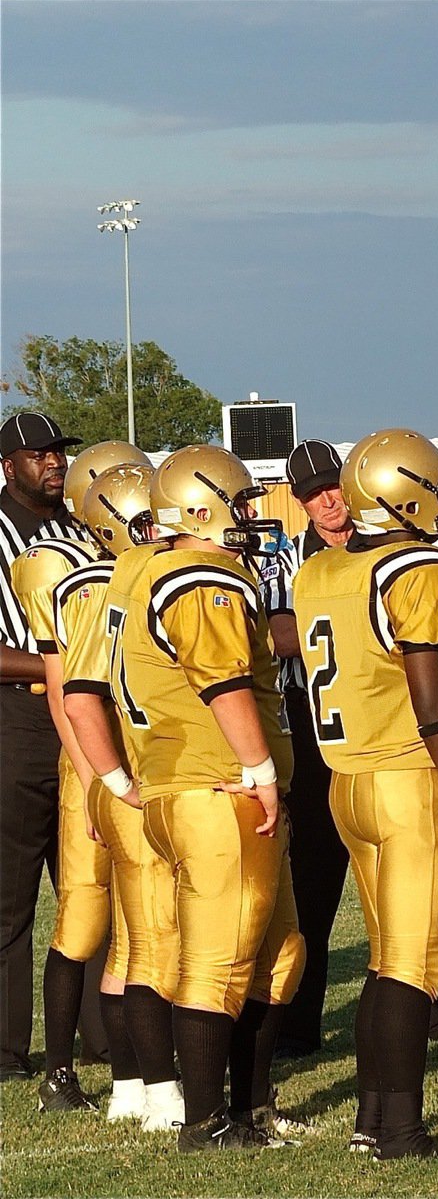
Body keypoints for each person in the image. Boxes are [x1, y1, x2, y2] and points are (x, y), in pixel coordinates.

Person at [292, 427, 438, 1160]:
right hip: (407, 782)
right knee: (415, 961)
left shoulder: (320, 569)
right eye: (434, 481)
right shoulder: (419, 570)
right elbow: (431, 702)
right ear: (400, 491)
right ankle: (403, 1134)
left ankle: (370, 1120)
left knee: (388, 959)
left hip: (345, 784)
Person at [260, 439, 438, 1058]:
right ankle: (373, 1088)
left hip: (361, 743)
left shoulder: (326, 569)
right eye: (312, 493)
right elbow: (429, 694)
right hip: (358, 744)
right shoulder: (306, 565)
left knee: (403, 909)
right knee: (349, 897)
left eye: (333, 485)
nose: (329, 501)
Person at [115, 445, 307, 1152]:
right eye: (243, 501)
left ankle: (252, 1107)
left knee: (277, 950)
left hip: (197, 784)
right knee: (219, 959)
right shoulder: (200, 575)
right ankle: (204, 1121)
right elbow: (222, 684)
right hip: (212, 785)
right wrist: (258, 770)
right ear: (202, 507)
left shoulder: (163, 571)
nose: (253, 515)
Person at [60, 463, 186, 1133]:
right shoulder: (114, 586)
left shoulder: (105, 583)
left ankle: (130, 1085)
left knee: (130, 944)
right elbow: (80, 699)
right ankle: (162, 1091)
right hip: (141, 780)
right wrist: (115, 782)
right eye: (154, 518)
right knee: (155, 939)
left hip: (122, 779)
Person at [0, 413, 109, 1084]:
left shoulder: (82, 532)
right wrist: (57, 669)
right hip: (15, 725)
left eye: (58, 453)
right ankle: (8, 1052)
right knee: (10, 899)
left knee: (92, 882)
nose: (52, 463)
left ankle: (104, 1034)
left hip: (87, 721)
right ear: (7, 463)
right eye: (36, 454)